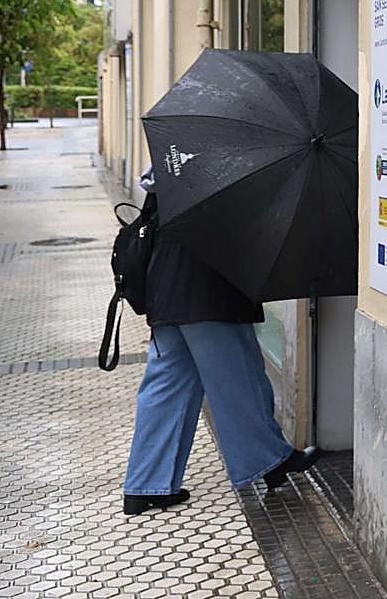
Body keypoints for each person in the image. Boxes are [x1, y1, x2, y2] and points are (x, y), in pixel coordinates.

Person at [122, 167, 320, 516]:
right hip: (206, 293)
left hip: (166, 291)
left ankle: (145, 485)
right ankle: (270, 461)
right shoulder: (217, 168)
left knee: (166, 385)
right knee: (239, 380)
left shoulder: (169, 165)